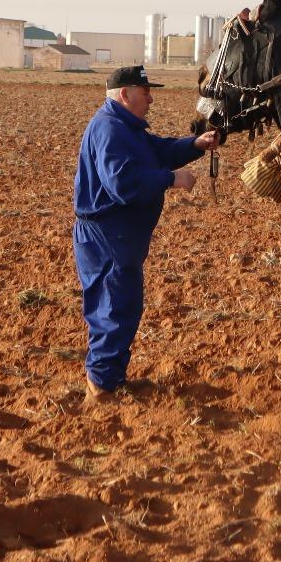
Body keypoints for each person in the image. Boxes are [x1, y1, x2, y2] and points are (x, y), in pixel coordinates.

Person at [74, 65, 219, 399]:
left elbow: (158, 151)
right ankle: (101, 386)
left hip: (120, 236)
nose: (151, 99)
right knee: (113, 307)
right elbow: (122, 183)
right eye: (146, 92)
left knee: (122, 305)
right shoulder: (110, 130)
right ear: (126, 95)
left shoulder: (127, 128)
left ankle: (111, 378)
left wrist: (195, 144)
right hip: (107, 235)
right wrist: (172, 179)